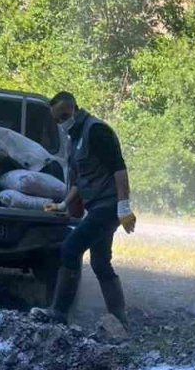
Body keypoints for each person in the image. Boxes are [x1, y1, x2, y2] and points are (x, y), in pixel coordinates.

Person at [44, 92, 136, 325]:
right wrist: (63, 204)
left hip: (107, 207)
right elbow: (79, 180)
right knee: (100, 262)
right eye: (57, 119)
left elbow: (119, 170)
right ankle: (119, 319)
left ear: (75, 109)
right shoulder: (74, 139)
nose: (61, 122)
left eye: (64, 116)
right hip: (96, 206)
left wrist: (123, 207)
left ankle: (59, 313)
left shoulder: (96, 131)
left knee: (70, 248)